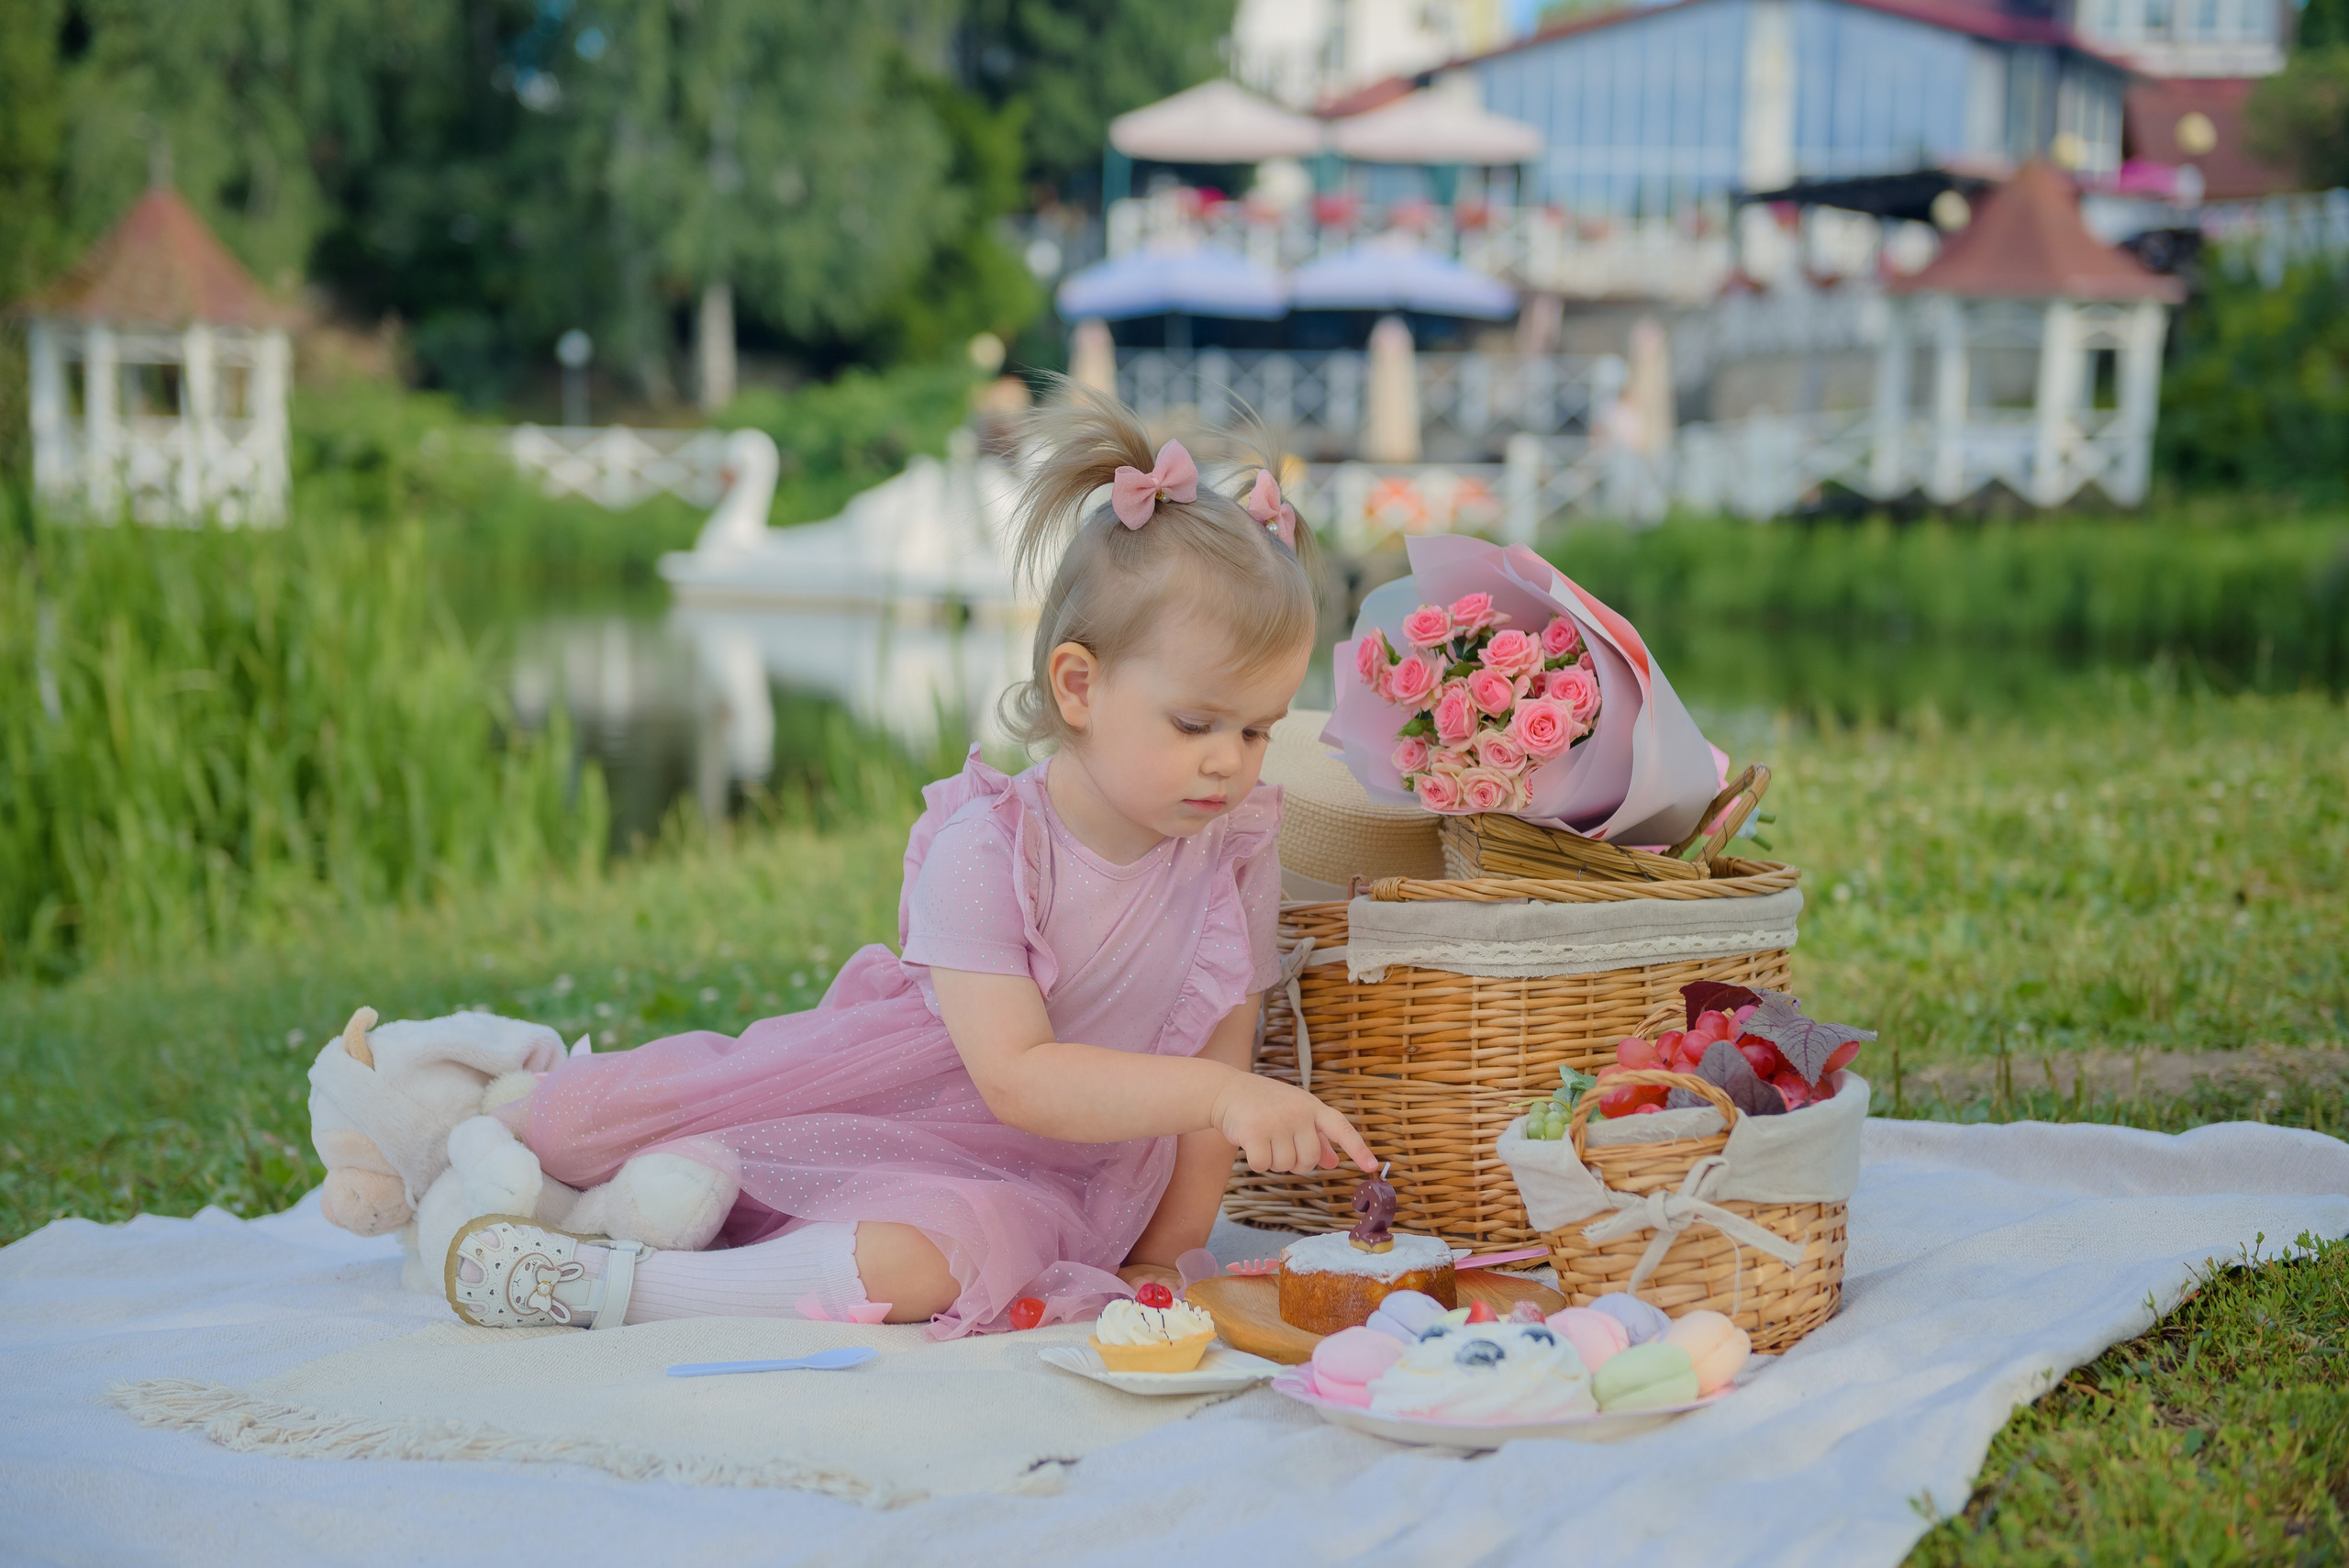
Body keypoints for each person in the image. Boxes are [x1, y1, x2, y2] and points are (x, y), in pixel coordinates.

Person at [448, 388, 1375, 1339]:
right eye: (1196, 723)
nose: (1231, 758)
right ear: (1078, 684)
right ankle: (477, 1123)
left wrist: (1165, 1253)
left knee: (939, 1257)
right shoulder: (991, 850)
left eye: (1258, 728)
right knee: (592, 1125)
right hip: (903, 1104)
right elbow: (1019, 1076)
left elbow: (1221, 1041)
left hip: (1063, 1174)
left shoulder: (1231, 848)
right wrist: (1220, 1095)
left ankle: (615, 1285)